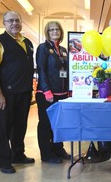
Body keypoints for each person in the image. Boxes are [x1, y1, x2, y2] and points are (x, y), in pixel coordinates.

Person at [0, 11, 35, 174]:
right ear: (4, 23)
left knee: (20, 126)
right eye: (10, 21)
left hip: (24, 92)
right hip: (6, 94)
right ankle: (3, 160)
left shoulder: (27, 42)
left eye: (17, 20)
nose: (14, 23)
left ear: (21, 22)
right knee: (4, 128)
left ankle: (18, 154)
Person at [36, 21, 71, 163]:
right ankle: (47, 154)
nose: (55, 31)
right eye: (51, 30)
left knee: (58, 123)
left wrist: (69, 90)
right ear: (47, 32)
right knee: (45, 124)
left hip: (61, 94)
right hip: (47, 94)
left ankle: (58, 148)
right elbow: (41, 69)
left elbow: (67, 72)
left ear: (61, 31)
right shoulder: (43, 48)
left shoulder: (63, 50)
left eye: (57, 29)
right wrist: (47, 90)